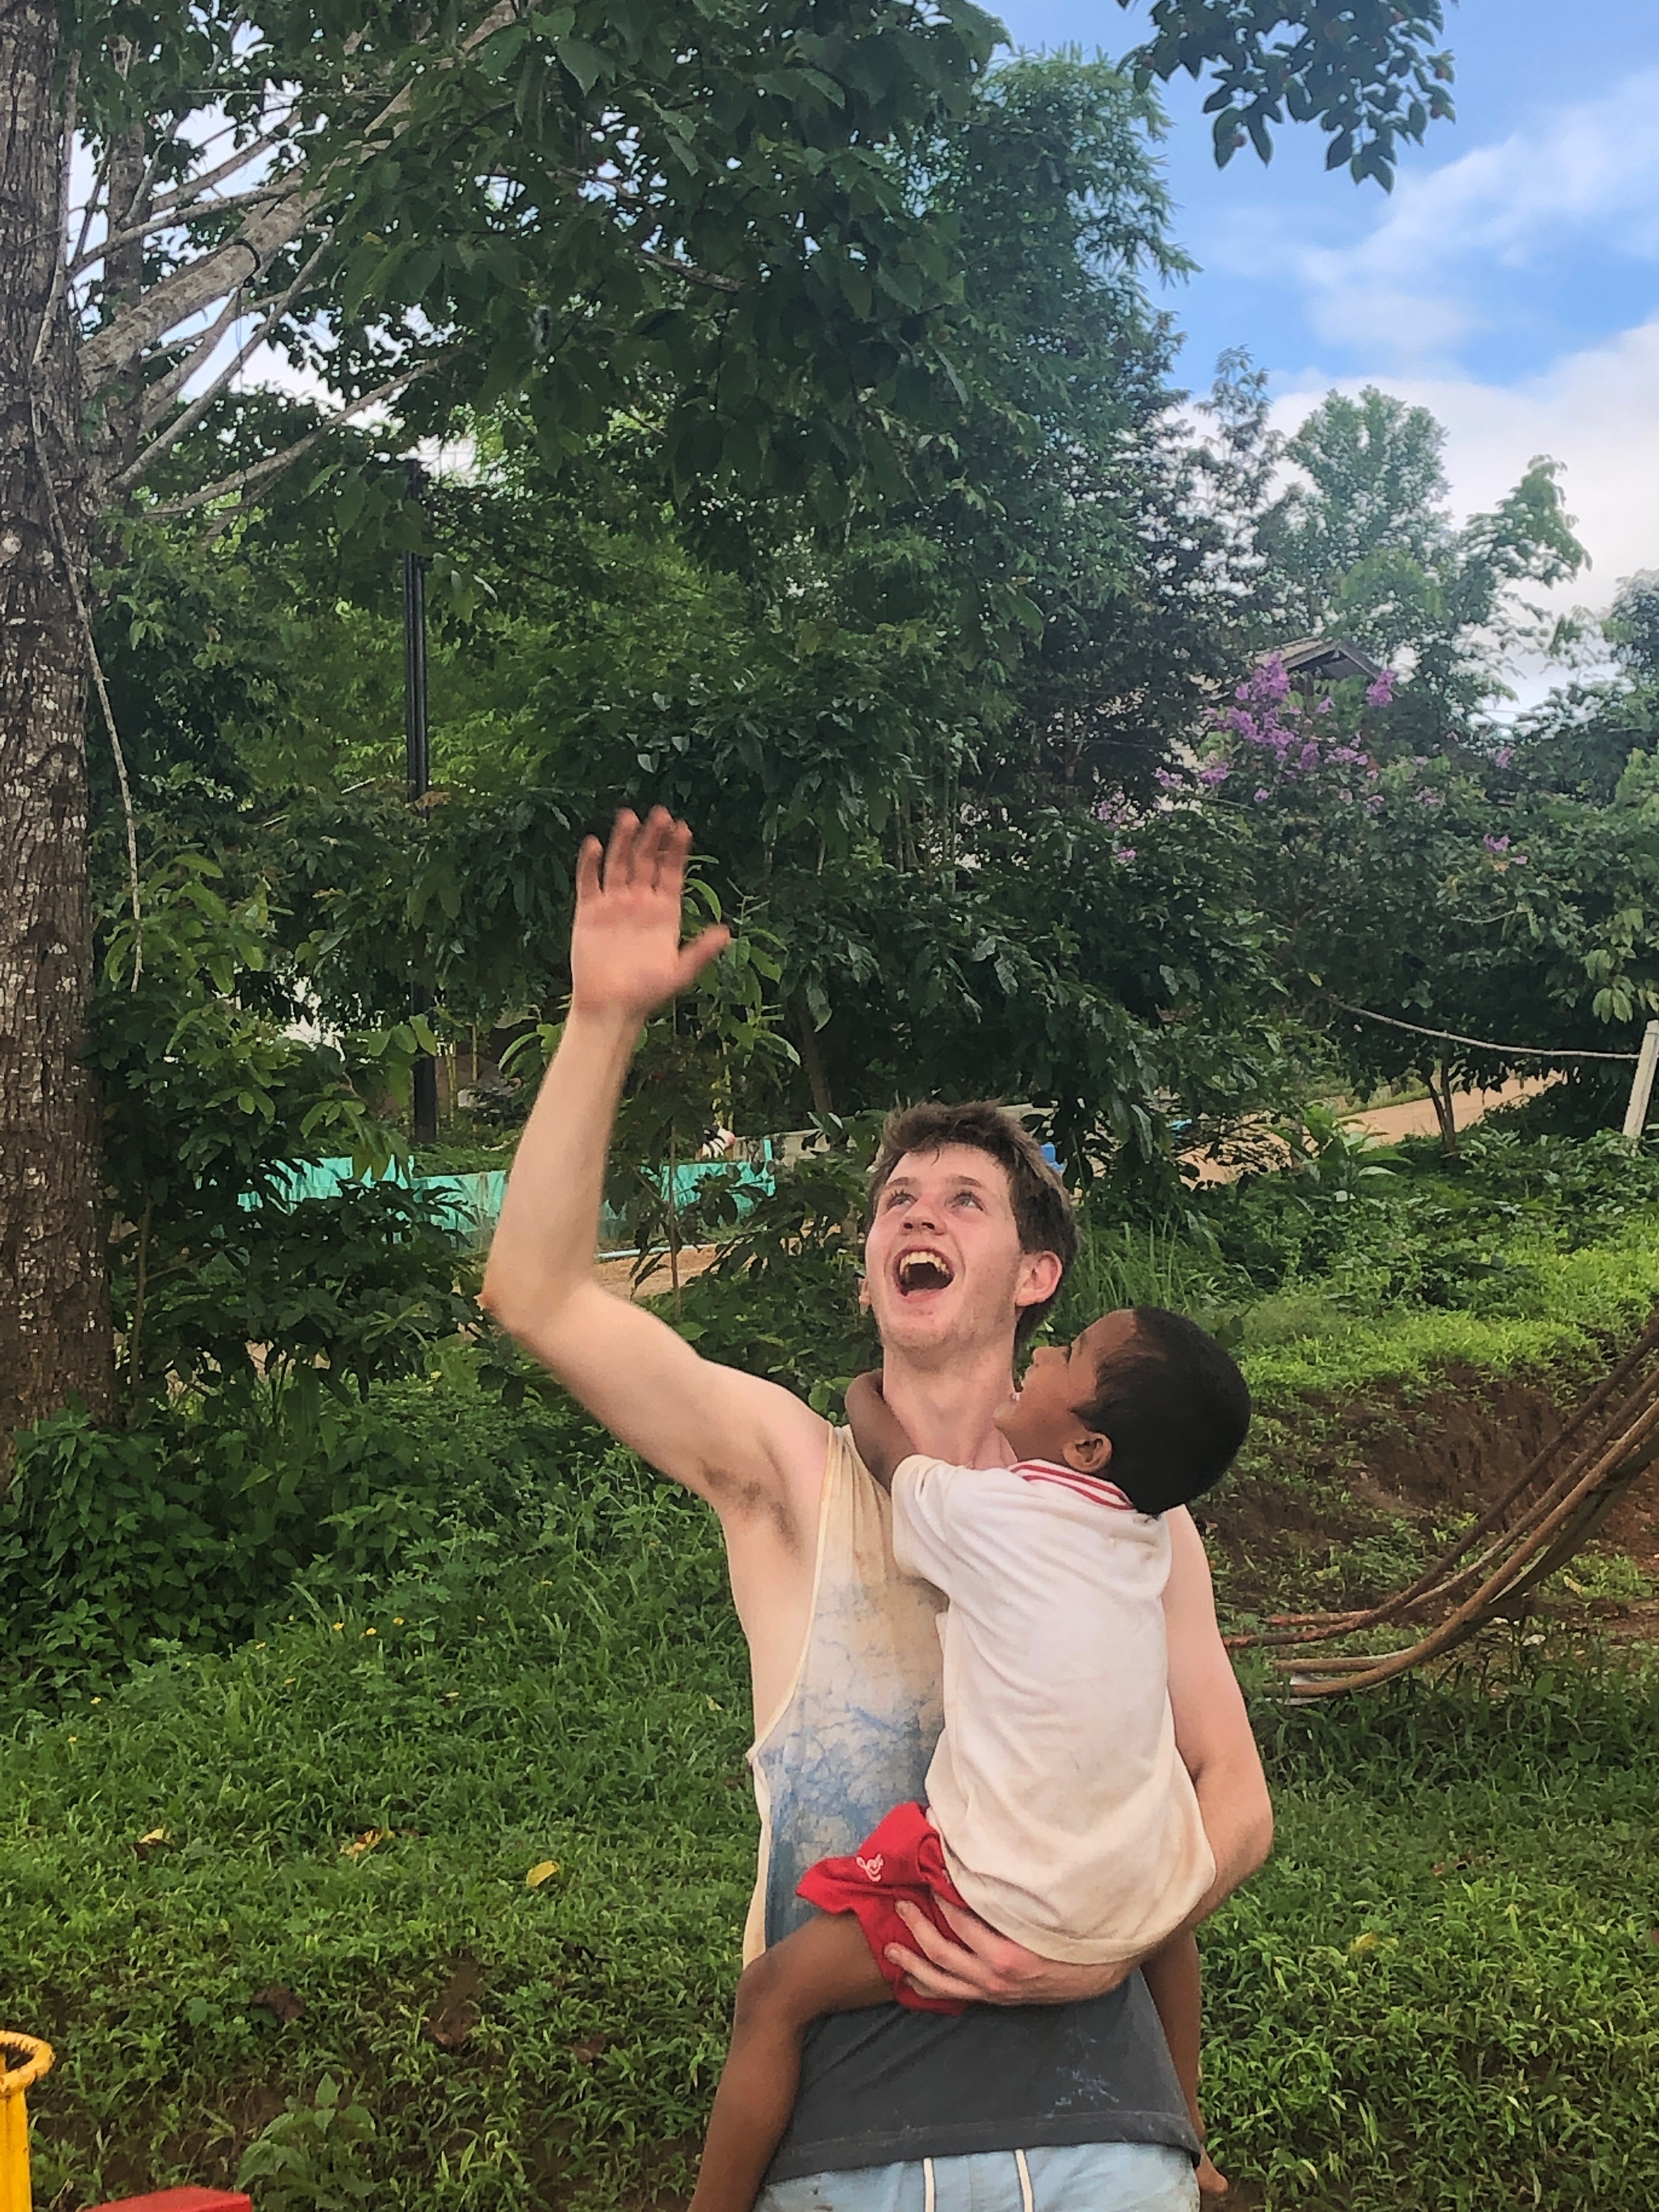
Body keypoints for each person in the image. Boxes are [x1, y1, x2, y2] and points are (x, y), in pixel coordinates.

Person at [481, 808, 1274, 2212]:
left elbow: (1237, 1800)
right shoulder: (791, 1474)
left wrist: (1098, 1947)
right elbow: (536, 1297)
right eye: (898, 1199)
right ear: (868, 1273)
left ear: (1035, 1275)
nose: (918, 1214)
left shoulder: (1142, 1528)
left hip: (1110, 2141)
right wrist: (601, 1023)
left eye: (964, 1201)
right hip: (855, 2159)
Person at [687, 1307, 1252, 2212]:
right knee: (1172, 1915)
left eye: (1071, 1354)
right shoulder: (1147, 1538)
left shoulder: (996, 1518)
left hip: (996, 1899)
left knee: (775, 1996)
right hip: (1129, 1892)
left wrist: (862, 1390)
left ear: (1089, 1449)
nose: (1048, 1350)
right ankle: (1192, 2134)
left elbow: (890, 1463)